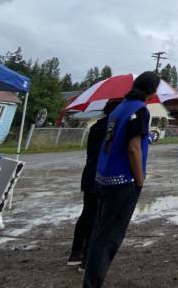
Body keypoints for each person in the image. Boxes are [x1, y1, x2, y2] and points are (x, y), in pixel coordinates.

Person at [82, 71, 160, 288]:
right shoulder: (140, 111)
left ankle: (92, 279)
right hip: (123, 181)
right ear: (152, 93)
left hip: (103, 178)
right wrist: (140, 179)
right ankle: (92, 283)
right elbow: (134, 149)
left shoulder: (119, 108)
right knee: (109, 238)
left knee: (100, 232)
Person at [68, 99, 120, 268]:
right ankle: (88, 258)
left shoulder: (96, 126)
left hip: (89, 173)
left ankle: (76, 253)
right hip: (101, 175)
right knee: (96, 217)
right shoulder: (110, 129)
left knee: (87, 214)